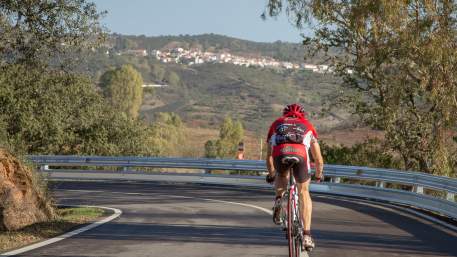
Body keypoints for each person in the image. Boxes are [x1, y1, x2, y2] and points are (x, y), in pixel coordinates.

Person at [265, 103, 324, 250]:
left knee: (281, 174)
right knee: (304, 192)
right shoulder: (308, 125)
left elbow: (269, 157)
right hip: (300, 155)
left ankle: (279, 199)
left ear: (285, 114)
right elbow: (318, 159)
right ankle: (307, 235)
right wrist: (318, 174)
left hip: (281, 153)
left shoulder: (276, 124)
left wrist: (271, 174)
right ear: (301, 115)